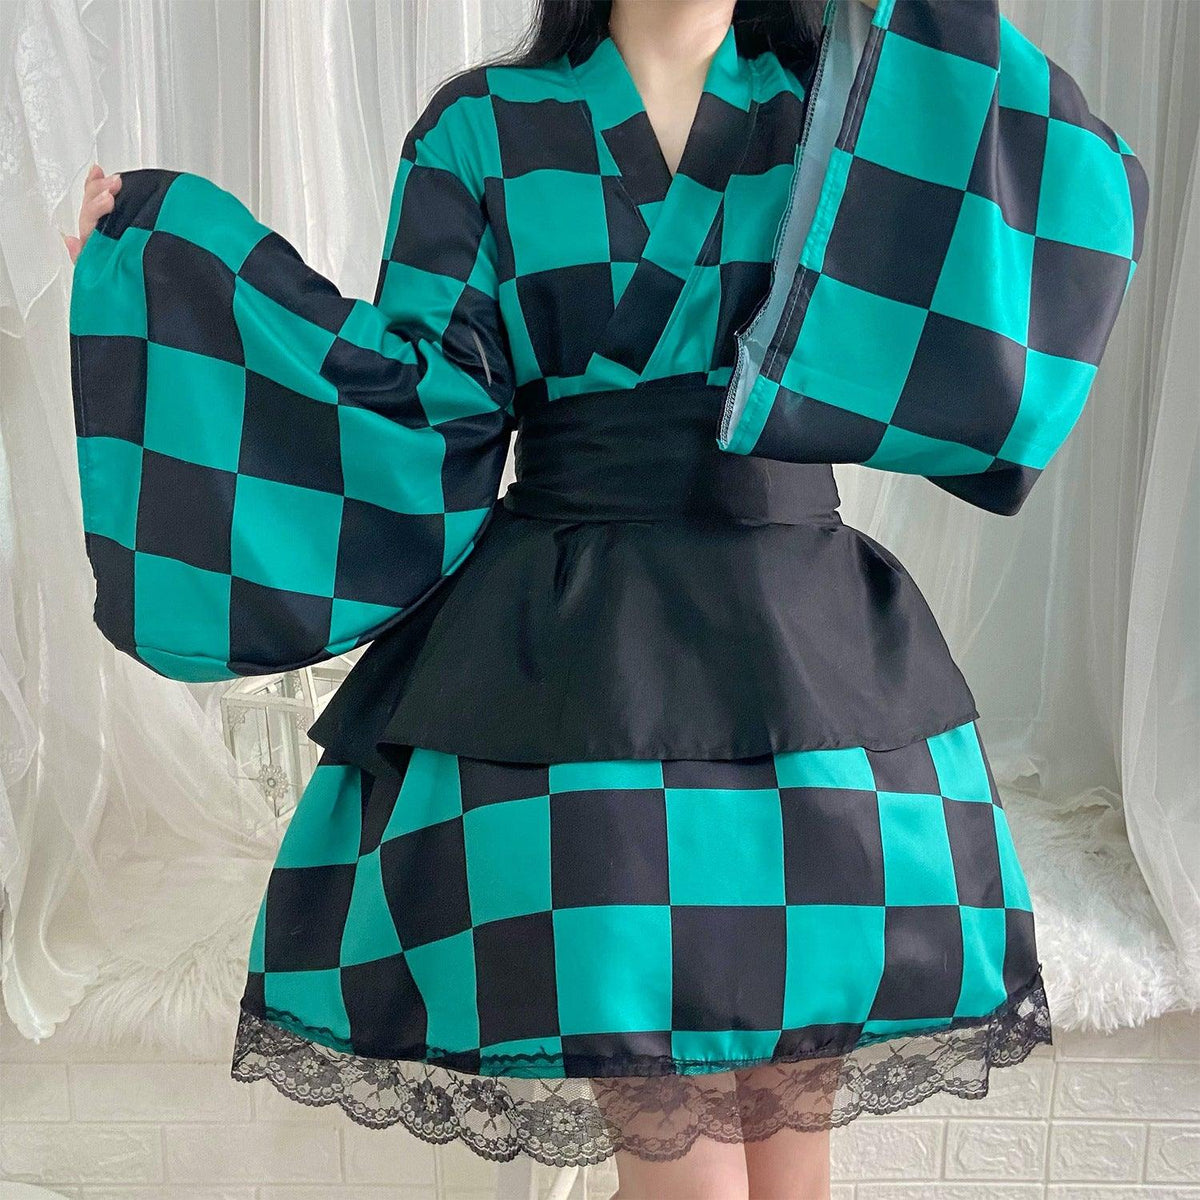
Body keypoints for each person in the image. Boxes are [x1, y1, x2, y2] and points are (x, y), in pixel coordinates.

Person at [67, 0, 1144, 1195]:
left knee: (796, 1180)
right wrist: (161, 257)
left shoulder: (851, 101)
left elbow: (1035, 214)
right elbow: (415, 410)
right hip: (585, 685)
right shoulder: (479, 128)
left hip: (810, 677)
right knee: (685, 1174)